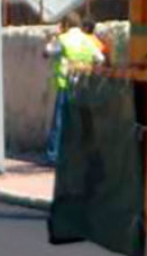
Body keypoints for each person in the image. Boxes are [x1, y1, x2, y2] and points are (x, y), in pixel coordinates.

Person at [43, 12, 105, 165]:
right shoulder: (87, 39)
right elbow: (100, 59)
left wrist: (52, 39)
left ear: (65, 25)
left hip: (66, 85)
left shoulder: (63, 39)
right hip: (83, 86)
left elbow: (47, 52)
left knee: (60, 122)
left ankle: (54, 156)